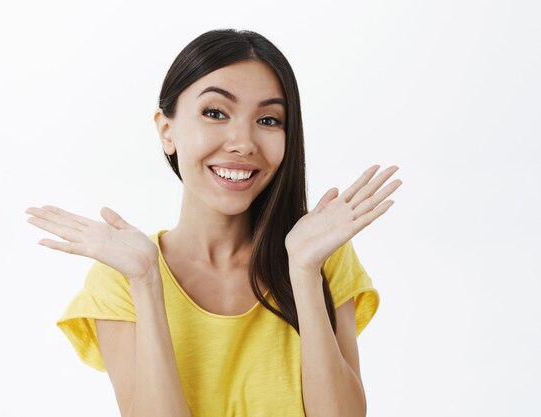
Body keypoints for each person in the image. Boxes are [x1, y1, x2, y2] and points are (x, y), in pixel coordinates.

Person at [26, 28, 402, 417]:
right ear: (166, 130)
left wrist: (304, 272)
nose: (243, 142)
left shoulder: (322, 256)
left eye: (269, 120)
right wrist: (146, 281)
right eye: (215, 113)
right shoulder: (121, 276)